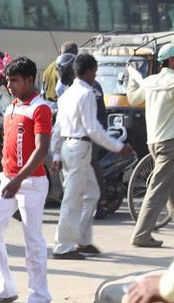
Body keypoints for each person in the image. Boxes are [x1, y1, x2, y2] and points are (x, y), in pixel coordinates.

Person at [0, 57, 53, 303]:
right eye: (8, 80)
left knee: (32, 240)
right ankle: (5, 289)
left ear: (30, 80)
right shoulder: (12, 106)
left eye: (14, 80)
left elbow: (42, 149)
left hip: (30, 182)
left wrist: (19, 180)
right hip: (9, 180)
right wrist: (10, 178)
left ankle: (40, 298)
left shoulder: (40, 108)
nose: (9, 85)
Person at [51, 54, 133, 260]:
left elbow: (58, 127)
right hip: (80, 147)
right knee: (73, 199)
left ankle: (82, 240)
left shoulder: (67, 94)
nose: (95, 74)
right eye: (95, 71)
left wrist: (55, 152)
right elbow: (92, 128)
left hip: (71, 148)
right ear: (88, 71)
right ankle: (63, 246)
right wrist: (117, 147)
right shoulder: (87, 94)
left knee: (92, 194)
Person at [127, 43, 174, 248]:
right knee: (158, 188)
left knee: (169, 185)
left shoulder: (150, 81)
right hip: (170, 142)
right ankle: (141, 234)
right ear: (172, 60)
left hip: (154, 141)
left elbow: (132, 98)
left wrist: (131, 77)